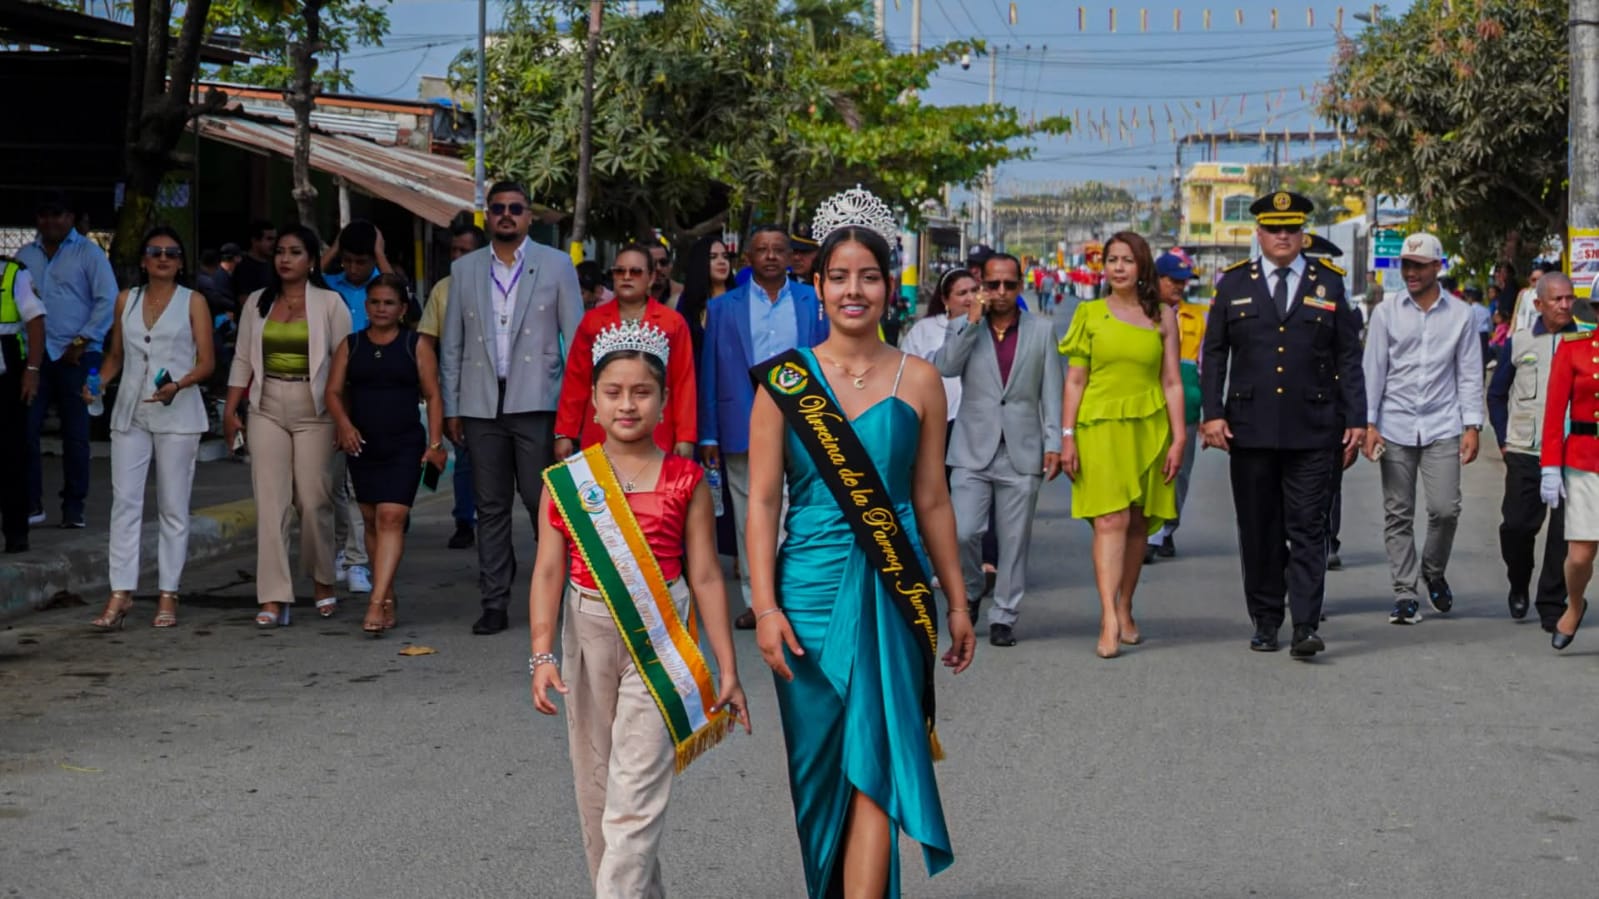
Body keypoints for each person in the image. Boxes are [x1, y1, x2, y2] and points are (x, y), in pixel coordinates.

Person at [745, 199, 975, 898]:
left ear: (888, 285)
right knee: (819, 778)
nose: (854, 290)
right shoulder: (783, 383)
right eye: (839, 276)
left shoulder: (921, 380)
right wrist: (764, 607)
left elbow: (932, 499)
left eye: (868, 276)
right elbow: (762, 503)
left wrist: (956, 600)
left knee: (876, 765)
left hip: (893, 588)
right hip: (807, 596)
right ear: (817, 286)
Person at [530, 320, 750, 896]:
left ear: (664, 401)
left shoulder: (686, 479)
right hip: (586, 632)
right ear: (593, 402)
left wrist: (727, 668)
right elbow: (548, 571)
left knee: (634, 799)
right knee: (597, 792)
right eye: (613, 392)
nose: (627, 404)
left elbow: (706, 575)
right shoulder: (565, 482)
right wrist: (541, 654)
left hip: (659, 634)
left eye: (642, 392)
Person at [1200, 191, 1365, 658]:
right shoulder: (1234, 283)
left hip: (1314, 427)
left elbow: (1348, 356)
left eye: (1291, 228)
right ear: (1259, 233)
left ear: (1303, 233)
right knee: (1260, 529)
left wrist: (1357, 418)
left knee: (1309, 527)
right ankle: (1266, 619)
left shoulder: (1328, 283)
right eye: (1274, 229)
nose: (1283, 236)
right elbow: (1215, 353)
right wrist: (1212, 414)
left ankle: (1305, 624)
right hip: (1249, 428)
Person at [441, 180, 584, 636]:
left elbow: (577, 343)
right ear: (488, 215)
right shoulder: (464, 270)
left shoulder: (557, 265)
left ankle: (564, 594)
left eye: (515, 208)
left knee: (543, 502)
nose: (506, 214)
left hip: (538, 401)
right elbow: (452, 345)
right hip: (481, 403)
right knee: (490, 505)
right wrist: (451, 406)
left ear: (528, 216)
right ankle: (495, 601)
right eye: (498, 208)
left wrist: (572, 417)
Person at [697, 224, 828, 627]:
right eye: (762, 249)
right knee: (748, 511)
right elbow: (711, 371)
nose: (771, 256)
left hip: (802, 419)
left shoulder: (814, 302)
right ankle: (758, 601)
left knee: (795, 507)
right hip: (741, 422)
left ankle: (792, 595)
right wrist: (708, 433)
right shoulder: (723, 307)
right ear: (748, 258)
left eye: (778, 249)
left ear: (791, 257)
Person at [1059, 233, 1182, 658]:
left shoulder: (1162, 315)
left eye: (1127, 260)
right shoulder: (1089, 313)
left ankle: (1125, 604)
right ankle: (1108, 616)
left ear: (1141, 266)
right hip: (1099, 425)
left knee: (1137, 521)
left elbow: (1172, 381)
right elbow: (1075, 380)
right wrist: (1067, 436)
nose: (1118, 267)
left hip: (1149, 426)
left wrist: (1179, 437)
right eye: (1112, 259)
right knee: (1110, 519)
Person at [223, 225, 352, 627]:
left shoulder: (330, 303)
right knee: (271, 502)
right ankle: (274, 596)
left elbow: (345, 362)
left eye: (295, 252)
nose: (285, 259)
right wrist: (231, 409)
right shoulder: (257, 302)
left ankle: (323, 581)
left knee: (314, 500)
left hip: (316, 408)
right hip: (266, 406)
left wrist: (344, 418)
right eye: (280, 251)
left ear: (311, 260)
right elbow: (242, 358)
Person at [86, 227, 214, 630]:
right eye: (155, 252)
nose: (163, 258)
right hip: (130, 412)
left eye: (171, 253)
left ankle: (168, 593)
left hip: (178, 413)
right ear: (143, 260)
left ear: (181, 262)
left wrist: (179, 384)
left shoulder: (193, 301)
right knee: (125, 503)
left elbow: (208, 362)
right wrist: (98, 383)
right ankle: (120, 592)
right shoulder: (127, 299)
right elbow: (116, 356)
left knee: (173, 507)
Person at [935, 251, 1063, 647]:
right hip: (972, 447)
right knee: (963, 532)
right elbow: (945, 367)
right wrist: (972, 321)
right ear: (982, 286)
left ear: (1020, 286)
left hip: (1022, 450)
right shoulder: (962, 326)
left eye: (1009, 284)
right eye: (993, 284)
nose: (1002, 291)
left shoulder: (1041, 330)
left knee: (1014, 540)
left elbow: (1052, 390)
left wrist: (1054, 441)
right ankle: (973, 587)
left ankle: (1005, 614)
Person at [1362, 232, 1483, 625]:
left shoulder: (1461, 315)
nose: (1410, 273)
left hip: (1442, 423)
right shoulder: (1386, 312)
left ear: (1436, 267)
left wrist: (1472, 426)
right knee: (1398, 513)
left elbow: (1469, 372)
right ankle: (1404, 593)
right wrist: (1368, 424)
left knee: (1446, 509)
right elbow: (1373, 370)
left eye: (1418, 265)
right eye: (1406, 265)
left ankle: (1432, 570)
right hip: (1394, 424)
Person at [326, 274, 448, 635]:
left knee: (391, 517)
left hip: (404, 443)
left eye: (389, 303)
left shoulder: (416, 344)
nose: (381, 309)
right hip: (362, 444)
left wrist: (435, 444)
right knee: (370, 520)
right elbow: (333, 391)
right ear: (366, 306)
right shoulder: (351, 345)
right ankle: (388, 593)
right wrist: (344, 425)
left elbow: (434, 395)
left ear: (402, 308)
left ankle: (375, 602)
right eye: (375, 302)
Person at [1489, 273, 1589, 632]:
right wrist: (1504, 439)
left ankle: (1552, 603)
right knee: (1517, 526)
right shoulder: (1519, 341)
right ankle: (1519, 581)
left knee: (1564, 533)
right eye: (1557, 299)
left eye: (1569, 298)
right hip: (1526, 449)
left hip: (1572, 451)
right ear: (1539, 304)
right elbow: (1497, 394)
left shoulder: (1586, 341)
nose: (1565, 305)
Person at [17, 190, 117, 529]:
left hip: (80, 356)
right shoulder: (25, 256)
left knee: (76, 434)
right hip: (35, 356)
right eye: (44, 214)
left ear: (70, 218)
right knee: (25, 430)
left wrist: (82, 340)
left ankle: (74, 507)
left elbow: (107, 301)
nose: (50, 221)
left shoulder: (89, 254)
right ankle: (31, 504)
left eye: (57, 214)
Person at [899, 270, 1000, 588]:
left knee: (979, 494)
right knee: (936, 493)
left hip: (975, 422)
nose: (970, 298)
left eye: (974, 290)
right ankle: (939, 561)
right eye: (961, 293)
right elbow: (909, 371)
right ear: (945, 299)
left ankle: (986, 560)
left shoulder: (991, 327)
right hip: (936, 423)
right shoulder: (926, 329)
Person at [554, 244, 696, 457]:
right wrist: (565, 432)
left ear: (651, 277)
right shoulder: (592, 322)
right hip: (601, 431)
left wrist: (685, 436)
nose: (626, 277)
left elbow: (684, 383)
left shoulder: (673, 323)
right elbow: (576, 381)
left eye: (635, 271)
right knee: (600, 480)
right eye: (619, 271)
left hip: (656, 431)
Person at [322, 220, 397, 595]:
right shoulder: (329, 285)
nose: (353, 268)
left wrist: (380, 254)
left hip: (371, 390)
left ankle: (357, 559)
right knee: (332, 482)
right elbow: (310, 274)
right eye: (347, 261)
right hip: (334, 388)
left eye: (361, 262)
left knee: (360, 487)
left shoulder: (380, 291)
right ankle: (342, 548)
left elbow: (402, 294)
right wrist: (335, 247)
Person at [418, 221, 487, 550]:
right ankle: (463, 521)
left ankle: (491, 521)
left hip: (497, 390)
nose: (458, 257)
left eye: (465, 251)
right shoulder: (442, 290)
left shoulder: (497, 288)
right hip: (456, 389)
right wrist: (432, 389)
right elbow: (426, 341)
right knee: (463, 455)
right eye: (454, 250)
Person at [1539, 317, 1599, 651]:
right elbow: (1554, 410)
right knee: (1579, 556)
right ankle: (1575, 605)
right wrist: (1550, 465)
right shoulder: (1575, 347)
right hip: (1585, 459)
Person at [1143, 250, 1202, 563]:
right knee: (1150, 468)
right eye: (1173, 280)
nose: (1179, 286)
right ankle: (1148, 533)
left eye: (1183, 281)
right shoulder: (1142, 314)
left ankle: (1166, 528)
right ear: (1156, 279)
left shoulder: (1197, 318)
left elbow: (1208, 364)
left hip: (1187, 404)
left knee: (1179, 473)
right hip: (1150, 402)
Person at [0, 256, 46, 554]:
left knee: (11, 455)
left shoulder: (13, 273)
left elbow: (35, 321)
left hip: (7, 376)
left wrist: (32, 370)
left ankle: (16, 533)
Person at [677, 234, 736, 365]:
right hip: (697, 372)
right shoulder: (687, 300)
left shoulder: (740, 298)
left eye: (725, 257)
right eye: (713, 257)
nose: (722, 261)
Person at [231, 220, 276, 300]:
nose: (274, 243)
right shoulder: (244, 267)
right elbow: (245, 301)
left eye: (275, 239)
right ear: (255, 240)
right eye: (269, 239)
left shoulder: (273, 263)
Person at [647, 238, 683, 308]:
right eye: (652, 263)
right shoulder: (630, 295)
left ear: (670, 266)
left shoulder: (683, 294)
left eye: (663, 262)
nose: (658, 268)